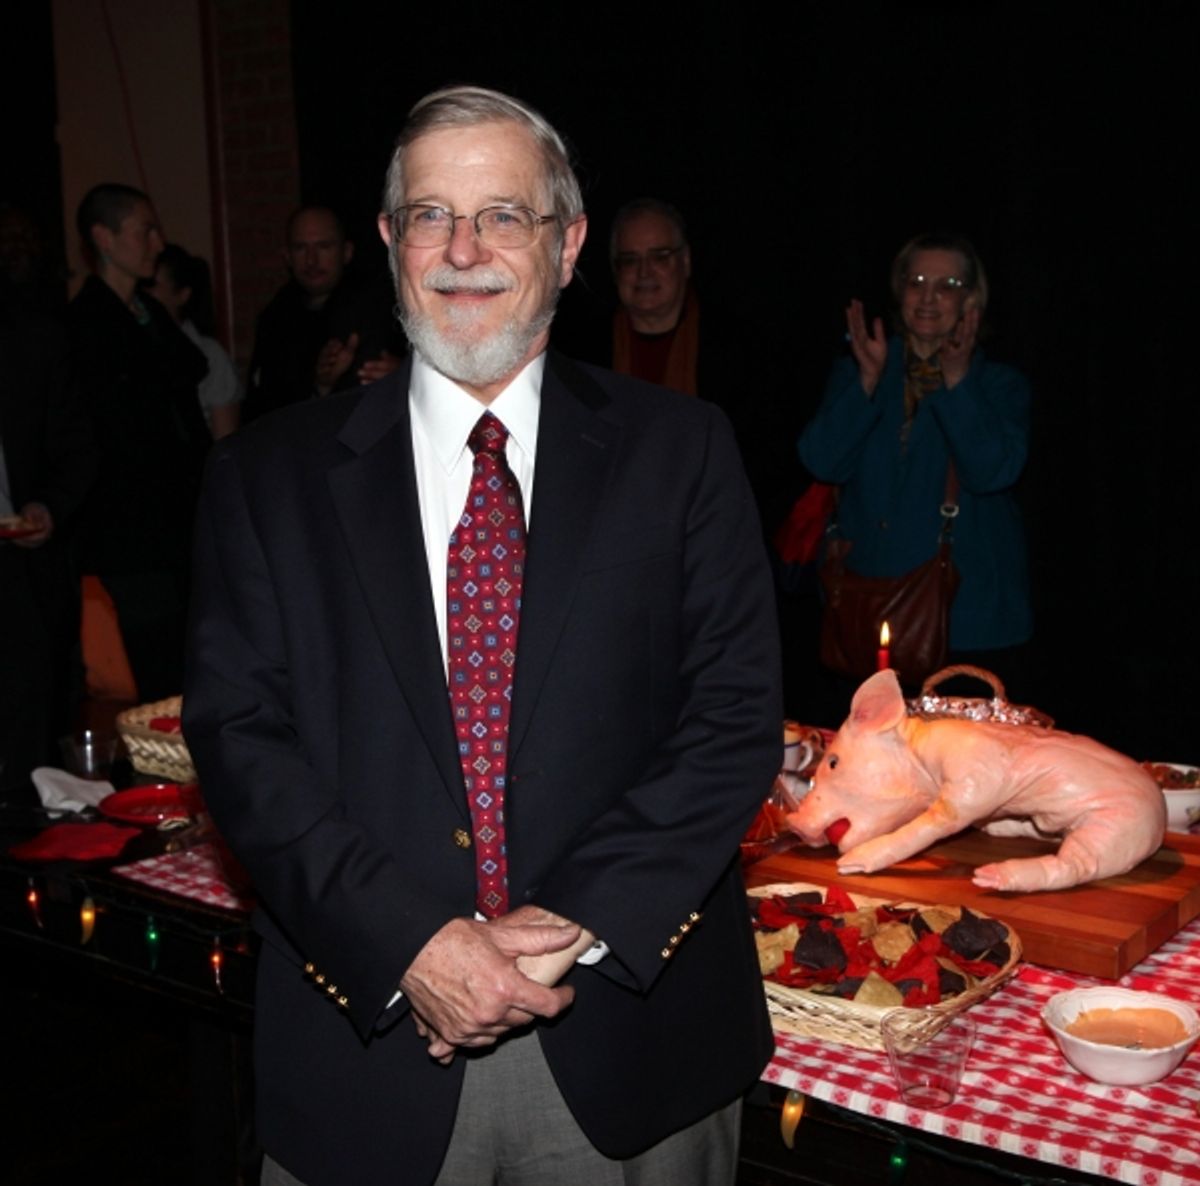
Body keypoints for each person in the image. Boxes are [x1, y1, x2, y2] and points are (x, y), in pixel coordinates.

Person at [184, 86, 781, 1186]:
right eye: (429, 215)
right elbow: (240, 741)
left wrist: (578, 918)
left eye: (504, 214)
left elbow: (732, 719)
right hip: (365, 1055)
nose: (464, 249)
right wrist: (410, 941)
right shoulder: (263, 477)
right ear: (388, 238)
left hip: (630, 1047)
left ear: (567, 244)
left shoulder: (682, 451)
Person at [797, 231, 1032, 698]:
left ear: (971, 299)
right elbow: (821, 461)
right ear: (899, 290)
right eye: (917, 281)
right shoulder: (862, 368)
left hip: (967, 623)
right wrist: (866, 381)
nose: (928, 297)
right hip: (869, 616)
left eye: (947, 285)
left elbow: (992, 473)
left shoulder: (999, 384)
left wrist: (959, 382)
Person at [66, 183, 211, 702]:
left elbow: (190, 374)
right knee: (161, 670)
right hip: (134, 534)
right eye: (144, 230)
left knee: (194, 660)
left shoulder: (145, 312)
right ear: (104, 239)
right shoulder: (87, 325)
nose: (158, 242)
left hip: (176, 524)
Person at [1, 308, 96, 793]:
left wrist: (48, 507)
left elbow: (78, 444)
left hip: (22, 570)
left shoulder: (34, 340)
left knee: (28, 739)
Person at [242, 206, 404, 421]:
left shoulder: (383, 307)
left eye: (323, 247)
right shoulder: (276, 320)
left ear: (346, 252)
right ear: (287, 256)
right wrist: (320, 384)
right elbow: (264, 410)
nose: (311, 260)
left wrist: (406, 376)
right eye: (301, 248)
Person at [146, 243, 243, 438]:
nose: (142, 294)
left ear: (182, 295)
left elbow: (224, 443)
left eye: (151, 286)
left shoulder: (209, 355)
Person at [609, 197, 697, 394]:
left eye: (659, 257)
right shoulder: (583, 353)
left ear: (685, 261)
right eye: (630, 260)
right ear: (615, 270)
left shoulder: (734, 350)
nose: (644, 272)